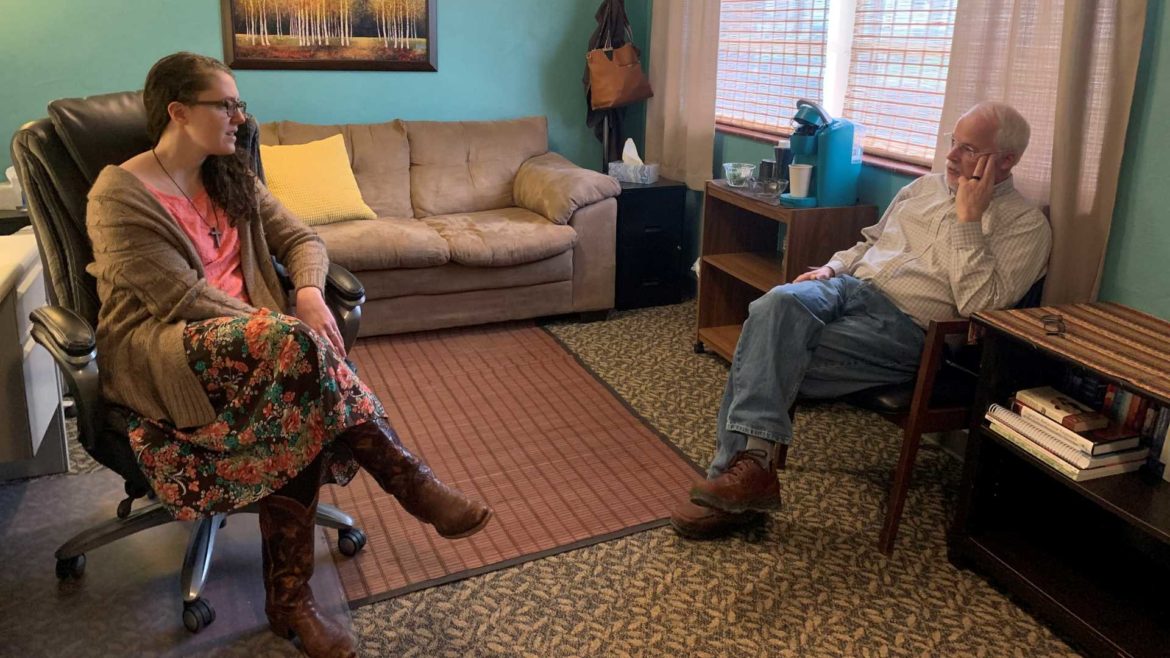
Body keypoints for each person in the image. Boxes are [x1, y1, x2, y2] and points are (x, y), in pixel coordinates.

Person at [85, 52, 492, 658]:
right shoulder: (119, 196)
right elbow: (181, 299)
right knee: (295, 353)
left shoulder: (230, 176)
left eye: (238, 104)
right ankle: (407, 479)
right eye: (226, 104)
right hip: (168, 349)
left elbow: (301, 238)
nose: (240, 117)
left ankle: (291, 601)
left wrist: (304, 292)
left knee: (295, 398)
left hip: (266, 347)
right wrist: (280, 327)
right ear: (178, 112)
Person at [671, 101, 1052, 539]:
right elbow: (871, 242)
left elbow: (980, 306)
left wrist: (969, 220)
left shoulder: (1026, 226)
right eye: (952, 143)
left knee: (763, 343)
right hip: (848, 288)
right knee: (773, 306)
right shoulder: (921, 189)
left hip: (905, 329)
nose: (949, 156)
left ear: (1005, 160)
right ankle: (748, 476)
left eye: (967, 149)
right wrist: (831, 269)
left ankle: (738, 476)